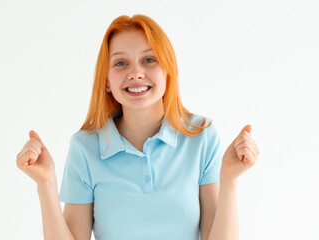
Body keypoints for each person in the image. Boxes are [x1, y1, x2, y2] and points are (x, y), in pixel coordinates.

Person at [16, 14, 260, 240]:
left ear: (168, 70)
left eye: (149, 60)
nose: (136, 73)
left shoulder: (201, 136)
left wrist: (229, 180)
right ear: (107, 81)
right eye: (121, 63)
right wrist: (45, 183)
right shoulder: (85, 148)